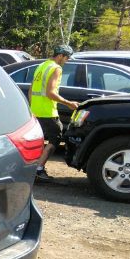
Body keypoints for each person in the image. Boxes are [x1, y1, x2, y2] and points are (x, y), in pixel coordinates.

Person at [28, 44, 79, 181]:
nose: (66, 61)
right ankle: (38, 169)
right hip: (47, 111)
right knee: (56, 137)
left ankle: (31, 166)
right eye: (66, 58)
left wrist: (31, 107)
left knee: (38, 139)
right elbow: (50, 93)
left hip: (36, 110)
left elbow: (31, 89)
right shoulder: (56, 68)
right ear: (61, 55)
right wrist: (69, 104)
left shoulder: (42, 65)